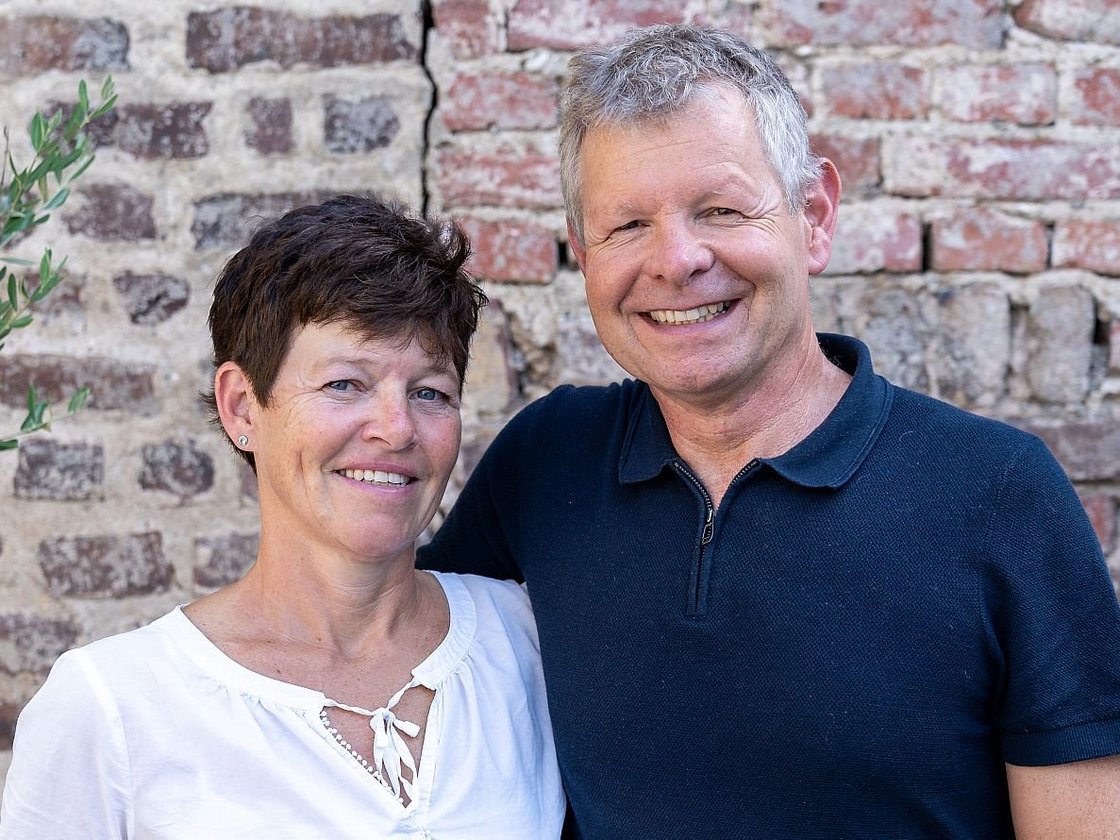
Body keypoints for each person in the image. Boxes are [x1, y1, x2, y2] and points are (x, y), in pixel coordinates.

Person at [419, 23, 1120, 838]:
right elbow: (379, 654)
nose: (676, 260)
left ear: (813, 215)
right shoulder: (545, 467)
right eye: (627, 226)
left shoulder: (998, 494)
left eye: (719, 209)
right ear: (582, 252)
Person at [0, 194, 565, 838]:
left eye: (429, 392)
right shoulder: (114, 708)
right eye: (344, 384)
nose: (395, 428)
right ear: (243, 407)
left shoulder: (527, 640)